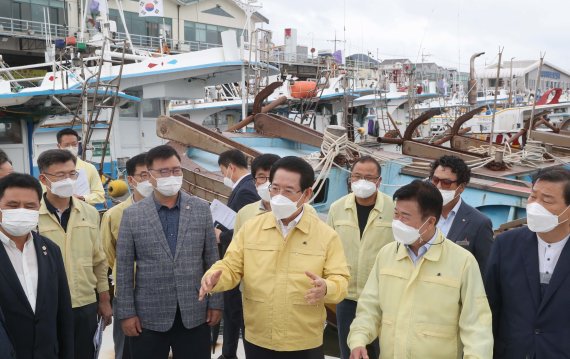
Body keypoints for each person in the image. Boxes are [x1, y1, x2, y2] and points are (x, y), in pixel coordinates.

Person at [200, 156, 350, 359]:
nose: (279, 196)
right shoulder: (252, 228)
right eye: (275, 188)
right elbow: (231, 266)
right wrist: (216, 276)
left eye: (288, 191)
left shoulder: (326, 236)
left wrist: (327, 288)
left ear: (307, 194)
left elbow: (340, 280)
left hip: (303, 340)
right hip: (259, 336)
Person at [348, 180, 493, 359]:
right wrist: (359, 340)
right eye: (396, 214)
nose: (397, 222)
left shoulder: (463, 262)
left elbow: (477, 326)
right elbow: (369, 307)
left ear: (430, 221)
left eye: (405, 216)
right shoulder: (387, 255)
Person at [116, 145, 223, 359]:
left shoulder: (201, 209)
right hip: (148, 317)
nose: (171, 176)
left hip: (194, 311)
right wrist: (127, 313)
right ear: (149, 176)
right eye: (164, 171)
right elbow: (124, 270)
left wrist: (216, 302)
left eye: (176, 170)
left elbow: (213, 261)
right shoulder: (133, 215)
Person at [485, 168, 570, 358]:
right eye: (533, 197)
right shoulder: (506, 244)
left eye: (547, 200)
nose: (535, 206)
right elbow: (490, 306)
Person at [37, 149, 111, 359]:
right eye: (60, 175)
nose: (68, 180)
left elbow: (99, 259)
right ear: (44, 179)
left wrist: (104, 300)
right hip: (46, 306)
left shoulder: (89, 213)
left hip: (84, 304)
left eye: (72, 174)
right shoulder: (33, 216)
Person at [0, 173, 74, 359]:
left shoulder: (50, 250)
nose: (22, 211)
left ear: (38, 208)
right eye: (13, 205)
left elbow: (63, 311)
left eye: (30, 206)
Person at [327, 156, 394, 359]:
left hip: (382, 297)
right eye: (356, 176)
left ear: (379, 181)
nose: (361, 181)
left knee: (384, 351)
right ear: (350, 178)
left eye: (368, 177)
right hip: (347, 297)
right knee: (350, 352)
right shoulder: (337, 208)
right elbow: (329, 250)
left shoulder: (393, 209)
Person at [101, 153, 151, 359]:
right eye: (144, 175)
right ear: (131, 180)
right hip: (128, 293)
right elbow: (108, 256)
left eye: (153, 174)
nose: (150, 180)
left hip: (161, 295)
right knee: (126, 349)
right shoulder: (114, 215)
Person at [216, 149, 260, 359]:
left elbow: (249, 227)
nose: (224, 175)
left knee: (236, 311)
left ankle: (230, 354)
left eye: (223, 171)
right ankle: (228, 353)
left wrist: (221, 235)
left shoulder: (245, 190)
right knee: (231, 310)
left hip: (239, 262)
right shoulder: (244, 187)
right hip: (235, 261)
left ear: (230, 167)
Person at [429, 155, 493, 272]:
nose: (438, 187)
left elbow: (485, 270)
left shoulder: (479, 223)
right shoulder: (420, 212)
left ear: (461, 187)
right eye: (435, 180)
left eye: (446, 182)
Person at [233, 153, 281, 233]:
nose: (268, 182)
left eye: (273, 177)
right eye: (261, 177)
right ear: (254, 181)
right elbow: (237, 243)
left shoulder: (292, 213)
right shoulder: (244, 213)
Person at [56, 128, 105, 205]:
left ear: (78, 144)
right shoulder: (52, 169)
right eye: (66, 145)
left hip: (85, 213)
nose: (71, 148)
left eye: (74, 144)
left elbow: (100, 195)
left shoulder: (89, 168)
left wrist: (83, 198)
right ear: (59, 146)